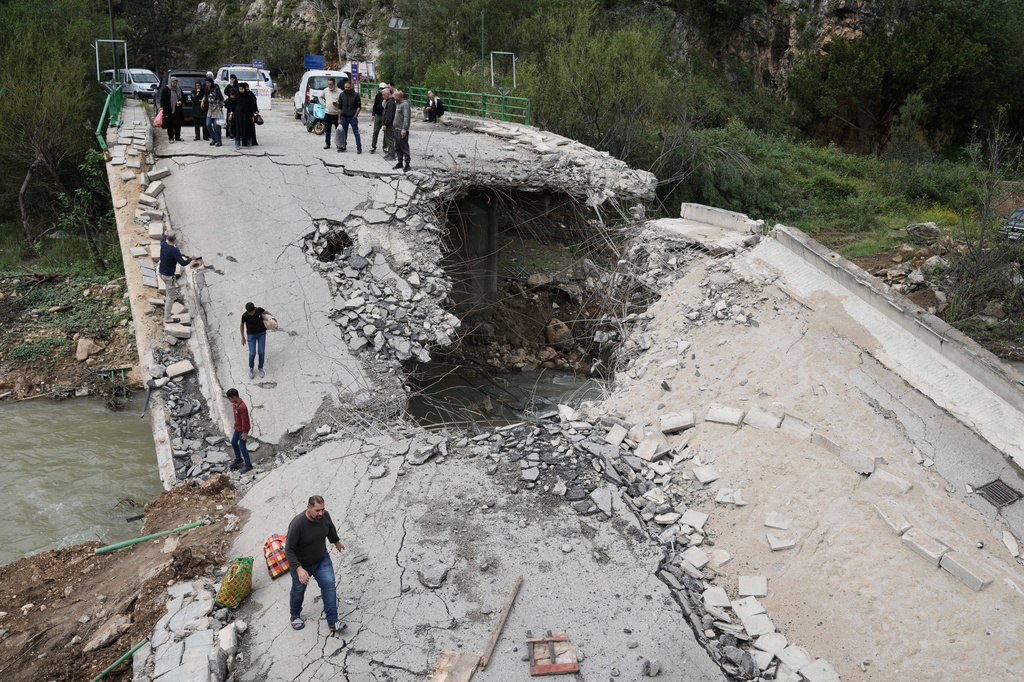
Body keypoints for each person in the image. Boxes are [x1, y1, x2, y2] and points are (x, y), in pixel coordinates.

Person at [284, 495, 346, 633]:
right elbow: (288, 550)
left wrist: (336, 542)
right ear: (309, 508)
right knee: (298, 590)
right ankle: (295, 616)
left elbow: (330, 529)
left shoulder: (325, 516)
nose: (321, 513)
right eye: (317, 510)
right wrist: (299, 569)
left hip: (321, 559)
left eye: (322, 509)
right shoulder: (297, 524)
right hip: (302, 564)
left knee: (329, 585)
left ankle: (333, 621)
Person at [158, 231, 192, 323]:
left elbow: (162, 238)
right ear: (175, 239)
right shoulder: (174, 250)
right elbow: (183, 263)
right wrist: (190, 259)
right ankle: (167, 318)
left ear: (167, 239)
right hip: (168, 275)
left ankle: (172, 295)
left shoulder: (163, 244)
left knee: (169, 287)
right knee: (170, 297)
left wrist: (165, 234)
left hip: (161, 272)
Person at [240, 301, 273, 378]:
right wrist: (242, 337)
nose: (251, 313)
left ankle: (260, 367)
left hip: (261, 334)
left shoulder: (259, 310)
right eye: (250, 312)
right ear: (247, 311)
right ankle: (251, 368)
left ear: (254, 308)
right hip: (251, 335)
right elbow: (241, 326)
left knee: (261, 352)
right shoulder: (244, 316)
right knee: (252, 353)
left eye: (252, 312)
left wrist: (272, 318)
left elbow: (266, 312)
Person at [225, 388, 253, 474]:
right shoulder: (235, 404)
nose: (229, 400)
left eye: (230, 398)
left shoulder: (242, 407)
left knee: (242, 446)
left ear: (234, 397)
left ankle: (248, 465)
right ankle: (238, 459)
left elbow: (245, 420)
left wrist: (244, 433)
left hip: (243, 429)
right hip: (238, 427)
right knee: (233, 442)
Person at [335, 80, 362, 153]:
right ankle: (343, 146)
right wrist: (339, 119)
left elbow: (359, 106)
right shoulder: (341, 95)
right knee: (344, 133)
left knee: (356, 132)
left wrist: (355, 115)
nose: (347, 89)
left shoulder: (356, 95)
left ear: (351, 87)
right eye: (345, 87)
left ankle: (359, 147)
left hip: (352, 117)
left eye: (348, 87)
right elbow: (339, 108)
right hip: (344, 117)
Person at [233, 81, 259, 149]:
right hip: (238, 115)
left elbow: (251, 106)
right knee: (238, 130)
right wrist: (231, 113)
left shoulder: (248, 96)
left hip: (247, 115)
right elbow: (234, 105)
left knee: (247, 129)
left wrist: (252, 115)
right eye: (240, 89)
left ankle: (249, 143)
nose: (241, 90)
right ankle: (237, 144)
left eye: (242, 89)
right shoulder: (237, 95)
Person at [160, 76, 184, 143]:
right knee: (170, 124)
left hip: (178, 109)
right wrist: (162, 106)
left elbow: (183, 98)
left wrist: (181, 101)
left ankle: (177, 136)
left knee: (178, 124)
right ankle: (171, 138)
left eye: (176, 83)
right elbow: (163, 99)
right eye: (174, 83)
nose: (175, 84)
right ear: (171, 82)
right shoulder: (167, 89)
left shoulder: (178, 89)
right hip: (169, 110)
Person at [320, 77, 341, 151]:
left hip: (336, 114)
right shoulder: (325, 90)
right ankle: (327, 143)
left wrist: (337, 104)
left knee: (337, 130)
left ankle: (338, 144)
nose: (329, 86)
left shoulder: (339, 92)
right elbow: (320, 97)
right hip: (328, 113)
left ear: (334, 84)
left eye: (331, 84)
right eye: (328, 84)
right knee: (327, 129)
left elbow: (342, 103)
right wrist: (324, 104)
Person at [392, 90, 411, 172]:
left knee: (404, 147)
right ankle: (400, 162)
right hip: (396, 129)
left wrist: (404, 129)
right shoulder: (398, 105)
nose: (394, 97)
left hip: (401, 129)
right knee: (397, 147)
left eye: (395, 96)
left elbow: (406, 117)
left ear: (399, 97)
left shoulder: (405, 105)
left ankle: (407, 164)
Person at [205, 76, 224, 147]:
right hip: (210, 109)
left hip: (216, 108)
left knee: (216, 125)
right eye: (206, 83)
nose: (207, 84)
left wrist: (220, 106)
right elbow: (205, 96)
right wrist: (203, 101)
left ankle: (219, 141)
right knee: (208, 124)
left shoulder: (216, 88)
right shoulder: (207, 89)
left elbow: (221, 98)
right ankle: (214, 138)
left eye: (208, 83)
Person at [370, 82, 387, 154]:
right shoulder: (378, 95)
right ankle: (373, 146)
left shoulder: (387, 96)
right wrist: (373, 114)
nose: (381, 90)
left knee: (386, 132)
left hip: (385, 116)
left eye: (383, 88)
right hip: (378, 115)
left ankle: (385, 146)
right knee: (375, 131)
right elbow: (375, 105)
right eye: (380, 88)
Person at [381, 87, 397, 162]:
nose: (383, 96)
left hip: (389, 125)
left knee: (390, 139)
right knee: (388, 139)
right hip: (388, 123)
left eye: (384, 95)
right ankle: (390, 153)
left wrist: (386, 124)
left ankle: (392, 154)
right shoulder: (389, 101)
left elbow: (389, 115)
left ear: (388, 94)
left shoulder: (390, 103)